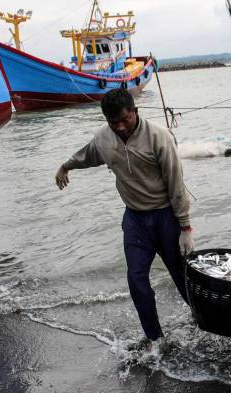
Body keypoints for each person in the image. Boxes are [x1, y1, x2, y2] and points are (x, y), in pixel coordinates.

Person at [55, 89, 194, 343]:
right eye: (113, 122)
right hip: (135, 220)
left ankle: (202, 319)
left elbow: (176, 185)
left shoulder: (159, 138)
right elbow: (88, 155)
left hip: (166, 217)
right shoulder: (103, 138)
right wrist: (66, 166)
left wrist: (185, 228)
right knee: (136, 279)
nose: (120, 127)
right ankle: (155, 339)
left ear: (135, 112)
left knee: (183, 277)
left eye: (125, 120)